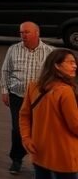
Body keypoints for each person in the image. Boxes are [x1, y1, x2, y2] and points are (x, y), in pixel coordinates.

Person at [1, 22, 55, 175]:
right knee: (18, 130)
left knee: (40, 131)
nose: (23, 35)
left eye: (27, 32)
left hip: (40, 99)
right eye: (21, 32)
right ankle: (16, 159)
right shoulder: (13, 49)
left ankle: (41, 161)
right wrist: (4, 91)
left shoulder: (50, 52)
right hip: (17, 97)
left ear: (37, 33)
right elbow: (5, 70)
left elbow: (53, 75)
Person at [18, 49, 78, 178]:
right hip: (64, 154)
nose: (75, 66)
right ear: (56, 65)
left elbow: (24, 115)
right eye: (70, 62)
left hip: (39, 151)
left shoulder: (33, 87)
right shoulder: (65, 91)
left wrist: (26, 138)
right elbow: (75, 126)